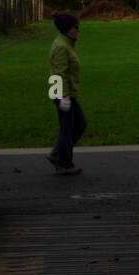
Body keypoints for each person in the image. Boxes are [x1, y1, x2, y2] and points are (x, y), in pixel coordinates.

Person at [48, 12, 86, 175]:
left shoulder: (66, 43)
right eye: (75, 27)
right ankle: (64, 163)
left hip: (66, 93)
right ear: (67, 29)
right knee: (68, 127)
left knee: (78, 125)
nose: (78, 30)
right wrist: (62, 98)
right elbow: (59, 73)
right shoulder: (62, 47)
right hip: (63, 94)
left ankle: (58, 154)